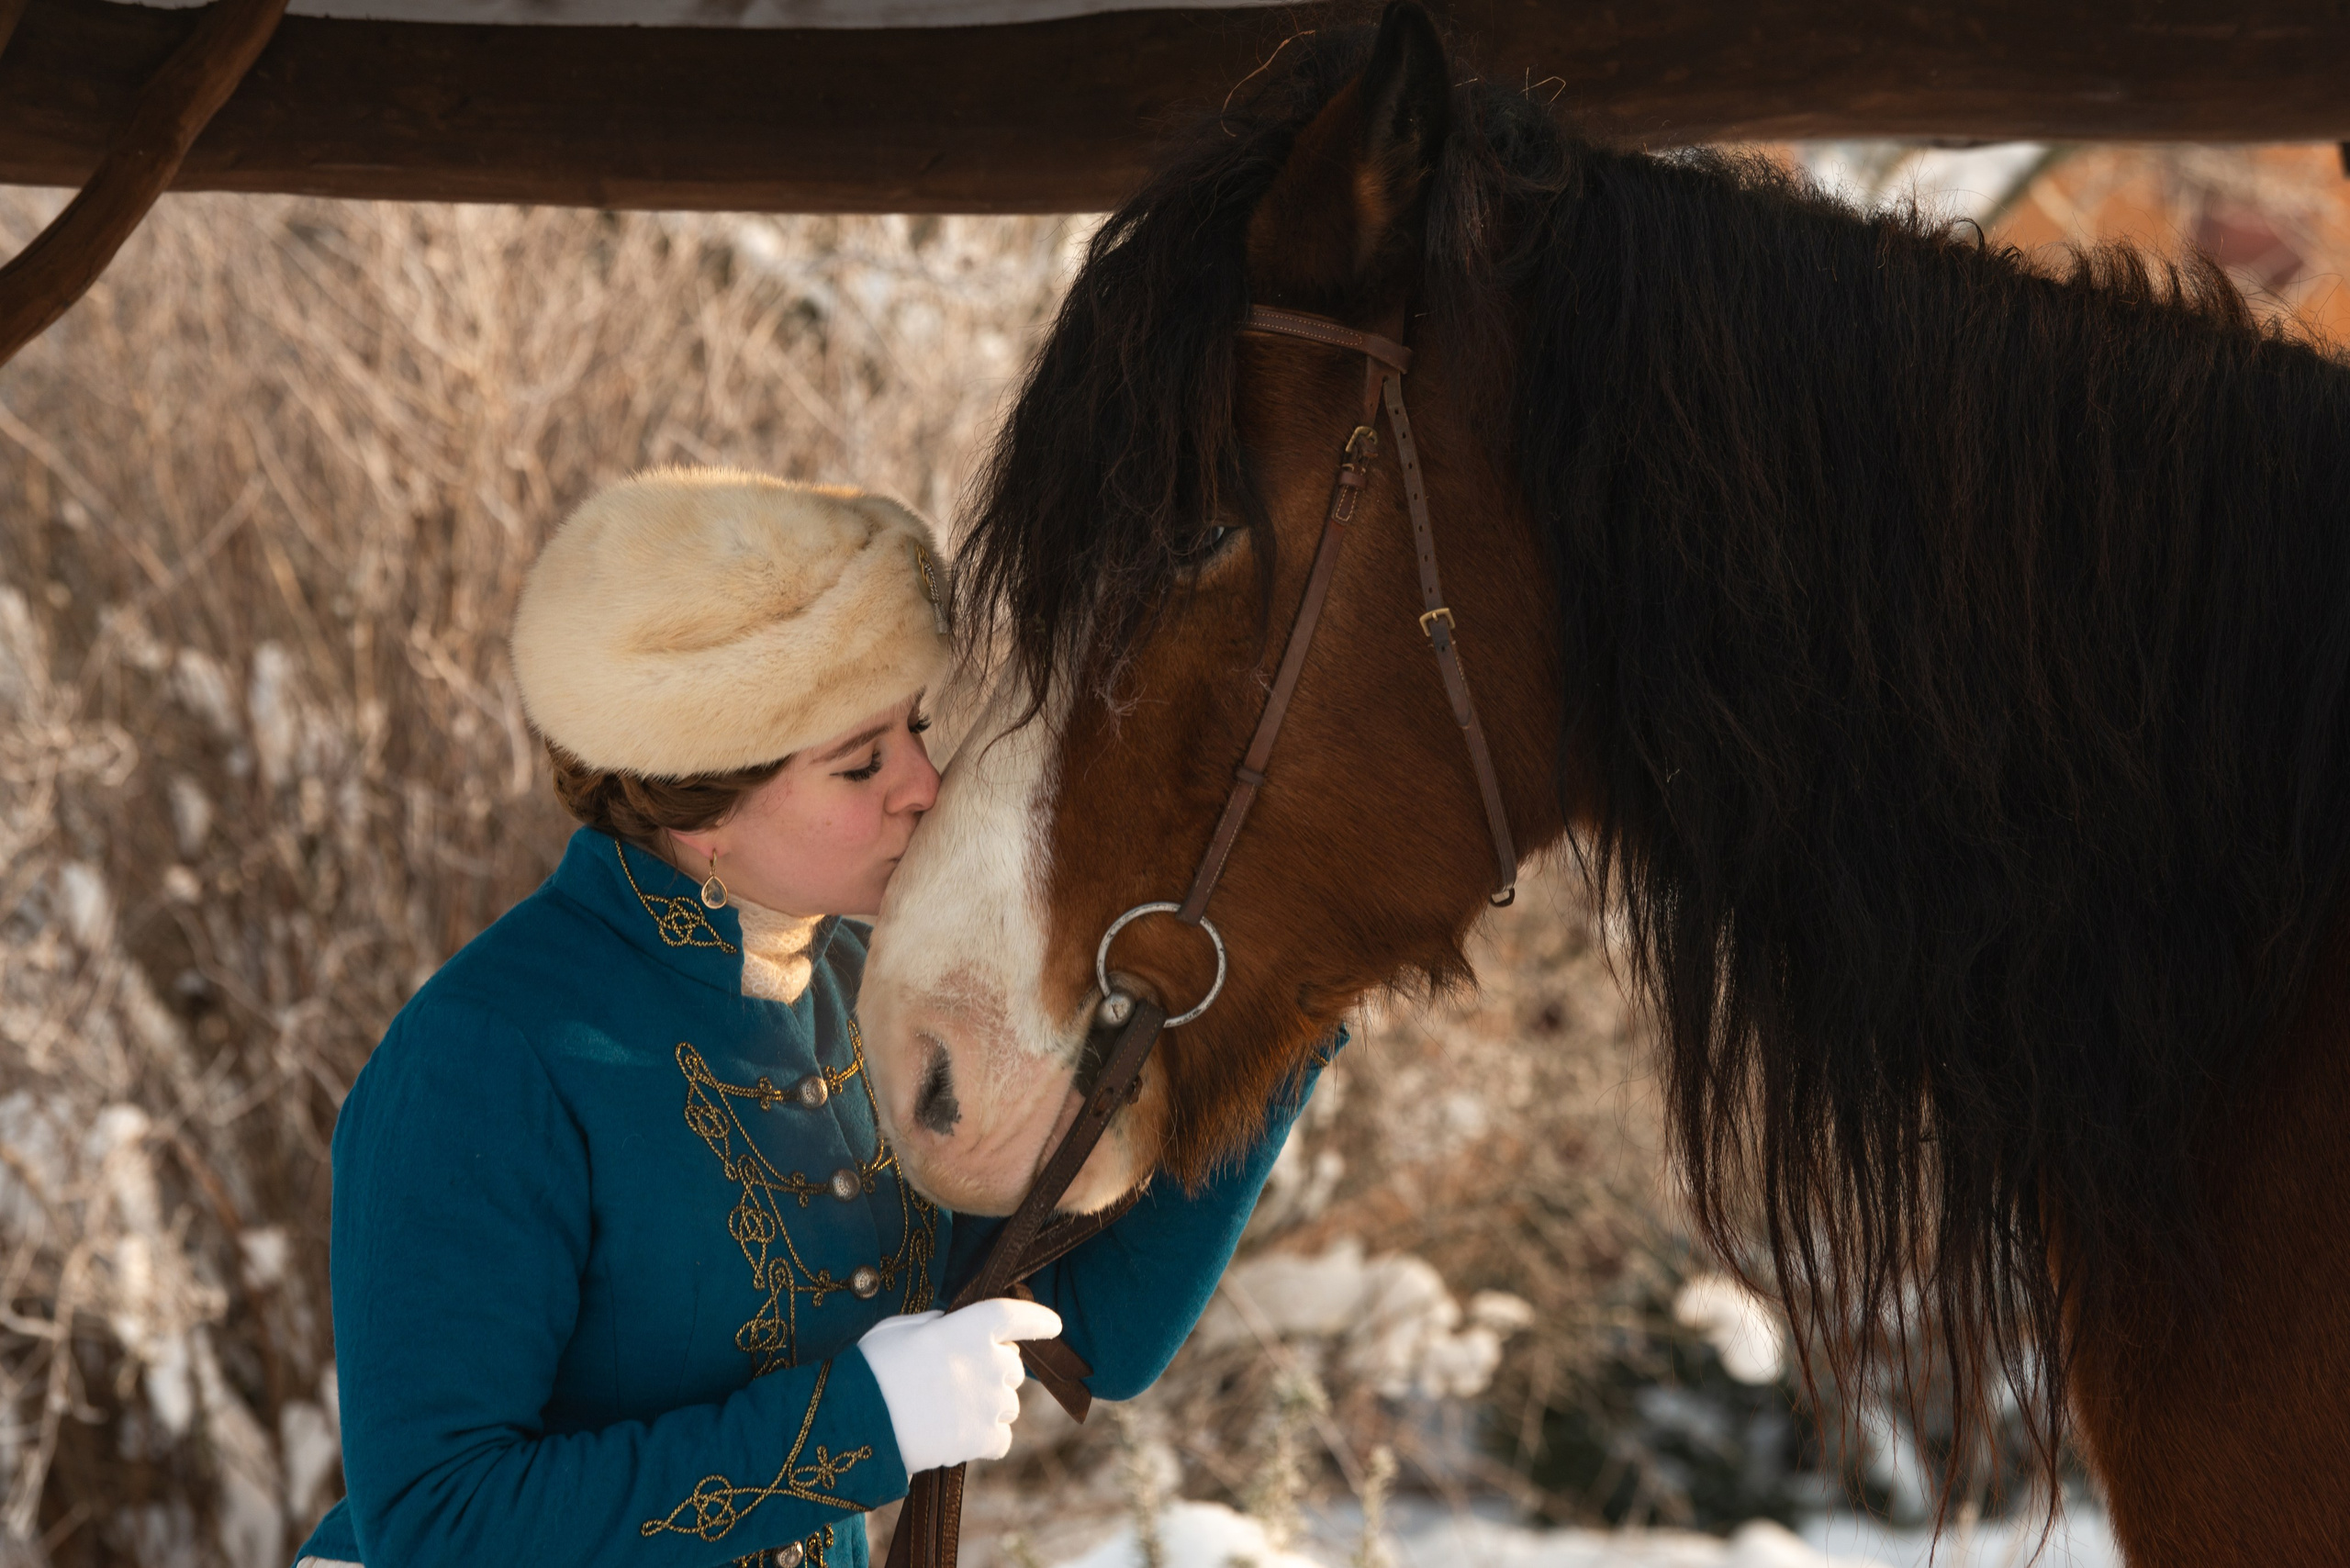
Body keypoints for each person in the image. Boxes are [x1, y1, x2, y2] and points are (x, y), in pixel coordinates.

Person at [290, 468, 1337, 1568]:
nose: (924, 783)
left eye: (913, 728)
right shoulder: (483, 1058)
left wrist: (1289, 1015)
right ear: (701, 808)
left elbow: (1086, 1330)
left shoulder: (868, 984)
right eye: (859, 762)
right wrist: (862, 1427)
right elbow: (440, 1522)